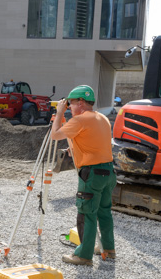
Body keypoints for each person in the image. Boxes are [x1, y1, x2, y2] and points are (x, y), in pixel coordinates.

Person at [50, 85, 116, 266]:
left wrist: (59, 113)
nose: (69, 107)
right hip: (108, 172)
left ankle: (84, 255)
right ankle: (109, 249)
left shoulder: (80, 120)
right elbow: (82, 138)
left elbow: (55, 135)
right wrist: (64, 119)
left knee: (86, 213)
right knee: (104, 212)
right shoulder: (101, 117)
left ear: (80, 103)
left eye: (70, 104)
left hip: (92, 174)